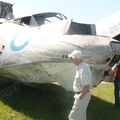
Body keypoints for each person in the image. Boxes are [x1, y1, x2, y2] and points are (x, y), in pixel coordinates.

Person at [68, 50, 92, 120]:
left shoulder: (82, 69)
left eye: (71, 58)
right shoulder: (82, 66)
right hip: (84, 95)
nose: (71, 60)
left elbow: (86, 86)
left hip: (82, 95)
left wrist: (80, 98)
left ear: (76, 58)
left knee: (72, 117)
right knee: (81, 117)